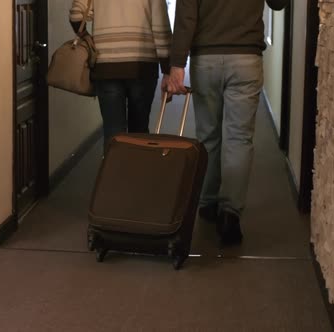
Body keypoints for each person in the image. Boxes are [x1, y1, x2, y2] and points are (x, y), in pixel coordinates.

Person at [164, 0, 289, 245]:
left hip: (206, 60)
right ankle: (230, 213)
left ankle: (208, 203)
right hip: (246, 59)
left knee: (208, 136)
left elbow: (186, 13)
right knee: (239, 138)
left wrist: (177, 63)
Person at [69, 0, 173, 148]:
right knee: (139, 132)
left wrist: (88, 40)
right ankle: (138, 170)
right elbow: (160, 24)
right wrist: (167, 69)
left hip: (106, 66)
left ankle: (113, 170)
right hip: (142, 67)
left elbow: (76, 15)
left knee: (113, 134)